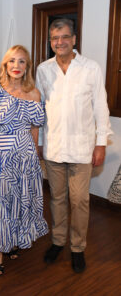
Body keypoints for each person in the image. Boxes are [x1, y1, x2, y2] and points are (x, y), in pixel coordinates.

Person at [36, 18, 112, 273]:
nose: (60, 42)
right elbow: (39, 111)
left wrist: (100, 144)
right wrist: (38, 143)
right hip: (54, 147)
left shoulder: (91, 68)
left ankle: (77, 247)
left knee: (79, 200)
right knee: (57, 199)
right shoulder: (43, 69)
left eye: (64, 37)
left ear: (74, 39)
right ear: (50, 41)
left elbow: (101, 108)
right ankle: (58, 241)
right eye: (55, 38)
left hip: (82, 149)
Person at [0, 45, 48, 275]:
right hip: (0, 153)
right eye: (12, 61)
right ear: (5, 64)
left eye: (22, 61)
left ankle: (13, 240)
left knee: (20, 199)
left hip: (25, 155)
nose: (16, 66)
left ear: (27, 66)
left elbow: (34, 128)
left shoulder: (34, 93)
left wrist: (33, 154)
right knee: (0, 200)